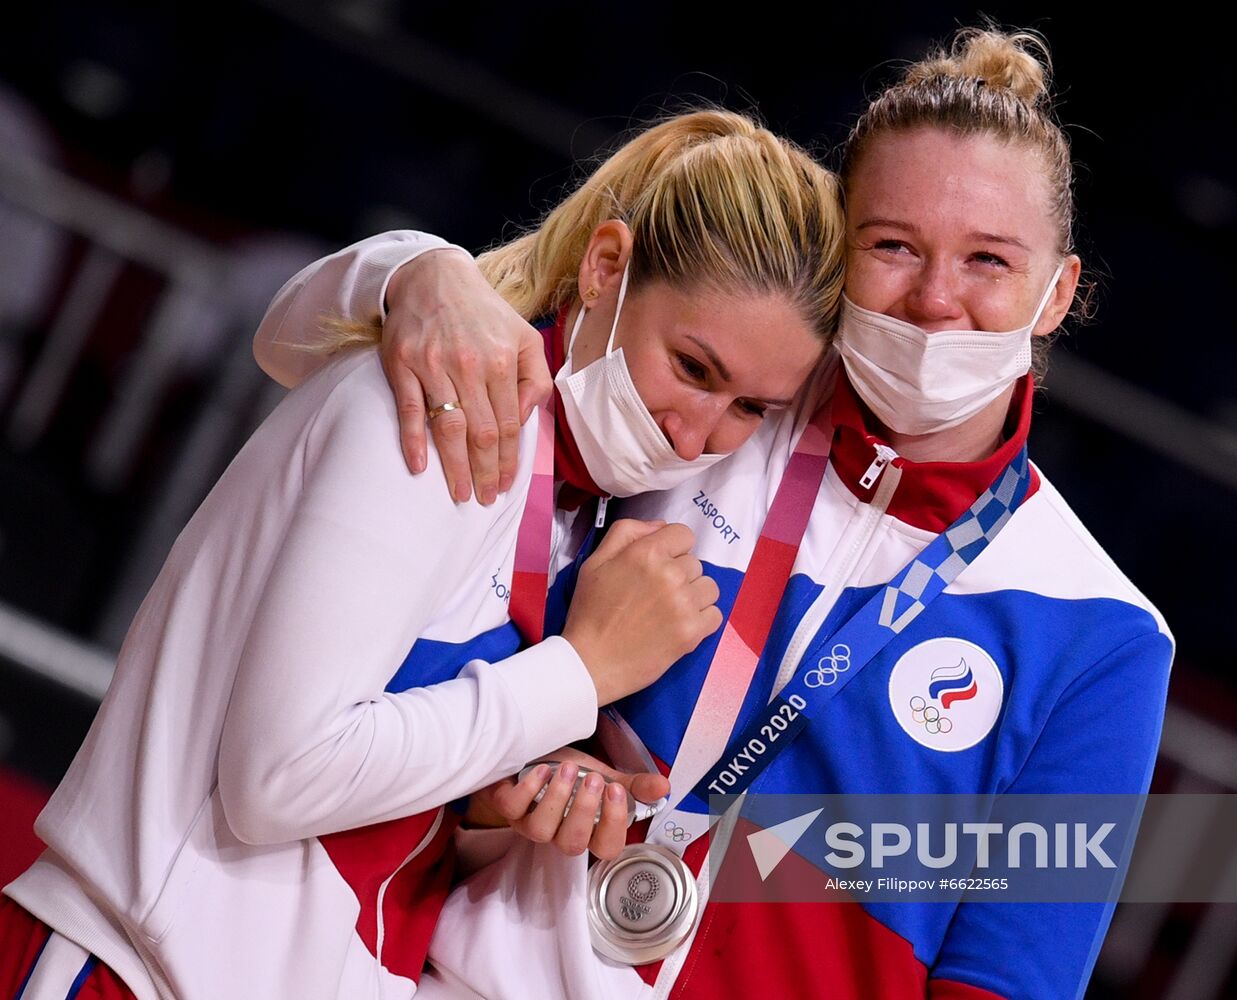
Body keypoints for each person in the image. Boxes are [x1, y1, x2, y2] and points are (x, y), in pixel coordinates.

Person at [250, 27, 1174, 1000]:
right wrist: (418, 274)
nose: (936, 299)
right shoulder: (702, 413)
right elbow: (303, 343)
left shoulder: (1104, 637)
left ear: (1057, 293)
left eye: (988, 260)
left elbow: (1010, 980)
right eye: (892, 245)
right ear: (838, 256)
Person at [0, 110, 845, 1000]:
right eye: (694, 367)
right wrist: (576, 674)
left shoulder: (580, 507)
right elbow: (277, 778)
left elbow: (382, 822)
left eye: (751, 408)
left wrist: (508, 801)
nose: (696, 433)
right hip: (131, 969)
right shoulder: (444, 405)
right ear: (604, 269)